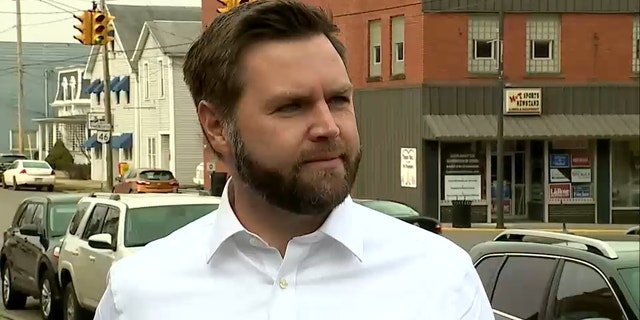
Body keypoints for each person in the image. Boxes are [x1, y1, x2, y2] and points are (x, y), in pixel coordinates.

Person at [93, 0, 494, 319]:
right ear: (216, 127)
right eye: (291, 106)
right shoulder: (141, 291)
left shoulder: (441, 278)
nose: (328, 127)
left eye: (338, 100)